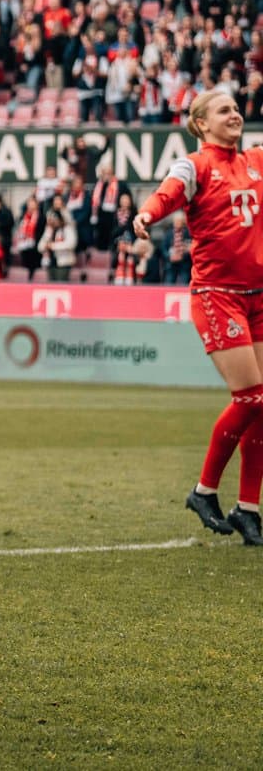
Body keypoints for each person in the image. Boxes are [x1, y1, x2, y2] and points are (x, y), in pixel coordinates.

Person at [133, 89, 263, 544]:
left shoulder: (256, 160)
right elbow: (170, 191)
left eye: (236, 107)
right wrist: (147, 214)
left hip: (258, 296)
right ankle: (204, 490)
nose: (235, 113)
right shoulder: (197, 163)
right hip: (218, 294)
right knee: (252, 399)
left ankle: (249, 509)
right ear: (202, 123)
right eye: (223, 109)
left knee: (262, 407)